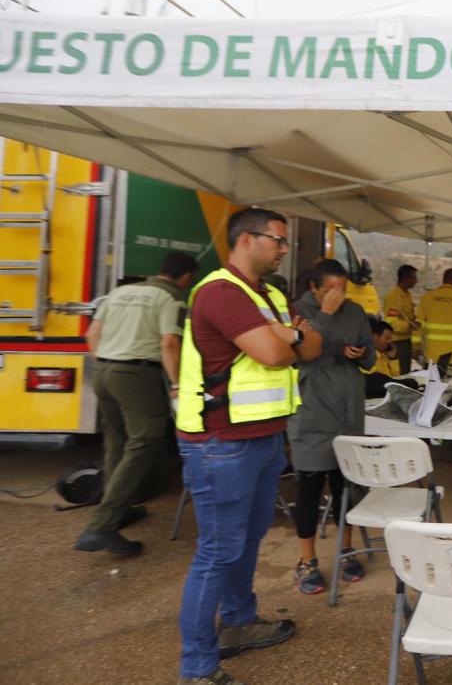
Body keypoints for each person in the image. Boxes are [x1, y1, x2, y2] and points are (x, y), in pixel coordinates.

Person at [174, 208, 324, 685]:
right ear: (245, 240)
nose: (284, 248)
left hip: (261, 436)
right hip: (220, 442)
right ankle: (197, 666)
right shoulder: (221, 292)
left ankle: (239, 621)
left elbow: (312, 346)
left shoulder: (271, 295)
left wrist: (292, 333)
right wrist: (289, 338)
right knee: (219, 550)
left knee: (248, 538)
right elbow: (276, 353)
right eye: (278, 240)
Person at [75, 251, 199, 555]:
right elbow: (169, 342)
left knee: (116, 442)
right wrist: (177, 383)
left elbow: (92, 333)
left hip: (103, 369)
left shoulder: (118, 292)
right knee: (145, 440)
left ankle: (120, 508)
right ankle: (101, 526)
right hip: (136, 373)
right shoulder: (171, 298)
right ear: (185, 277)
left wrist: (106, 361)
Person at [288, 259, 376, 595]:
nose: (338, 295)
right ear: (314, 287)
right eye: (330, 290)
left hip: (348, 408)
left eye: (343, 289)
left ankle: (345, 548)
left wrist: (361, 352)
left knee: (346, 485)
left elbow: (369, 360)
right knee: (310, 485)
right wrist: (324, 314)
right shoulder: (296, 311)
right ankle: (306, 561)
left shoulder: (354, 312)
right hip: (312, 410)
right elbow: (302, 354)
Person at [415, 268, 452, 366]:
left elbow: (418, 325)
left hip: (431, 355)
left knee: (430, 381)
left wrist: (415, 347)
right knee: (450, 381)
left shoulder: (427, 298)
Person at [382, 264, 419, 373]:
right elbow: (391, 322)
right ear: (406, 278)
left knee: (406, 371)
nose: (416, 281)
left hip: (407, 341)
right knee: (400, 373)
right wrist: (409, 325)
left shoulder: (407, 296)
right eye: (414, 278)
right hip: (397, 343)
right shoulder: (393, 297)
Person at [362, 317, 402, 398]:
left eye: (390, 339)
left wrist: (393, 358)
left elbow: (395, 378)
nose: (389, 342)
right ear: (375, 336)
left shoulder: (383, 355)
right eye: (386, 338)